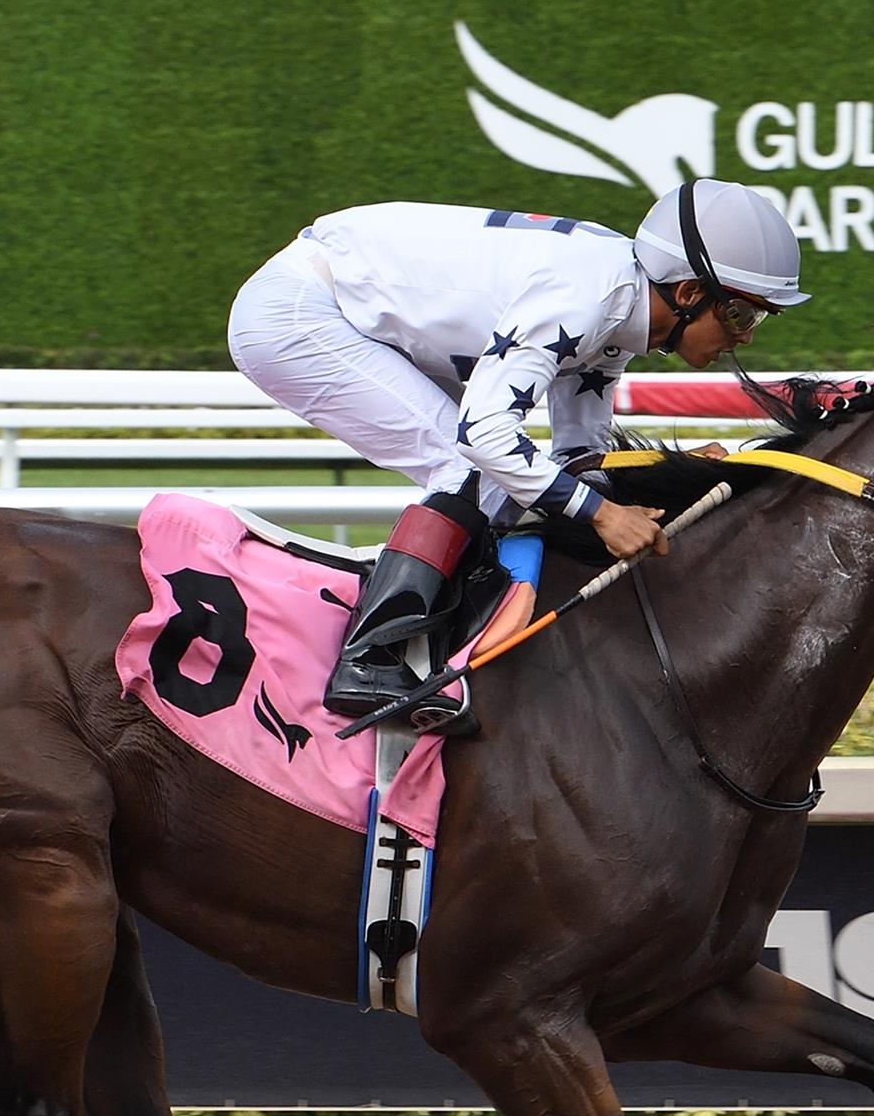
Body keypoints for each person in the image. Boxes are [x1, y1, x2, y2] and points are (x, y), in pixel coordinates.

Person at [226, 177, 809, 718]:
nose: (745, 335)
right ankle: (369, 659)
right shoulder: (587, 298)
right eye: (739, 312)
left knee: (507, 485)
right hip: (299, 312)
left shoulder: (620, 311)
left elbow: (578, 460)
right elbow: (484, 436)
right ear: (687, 292)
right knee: (468, 470)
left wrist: (673, 471)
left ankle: (439, 644)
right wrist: (604, 515)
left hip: (348, 308)